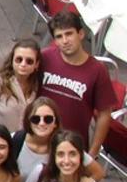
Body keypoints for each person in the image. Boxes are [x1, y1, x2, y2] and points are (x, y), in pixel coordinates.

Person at [38, 12, 117, 156]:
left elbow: (104, 114)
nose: (65, 41)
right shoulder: (45, 57)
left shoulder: (97, 70)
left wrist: (93, 153)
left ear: (80, 34)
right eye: (59, 36)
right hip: (40, 142)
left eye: (69, 34)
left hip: (73, 149)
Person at [0, 39, 42, 134]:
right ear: (12, 60)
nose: (23, 64)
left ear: (36, 64)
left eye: (29, 61)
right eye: (19, 59)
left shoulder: (36, 87)